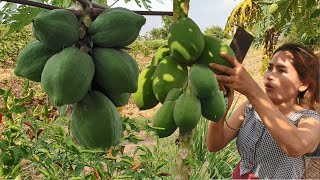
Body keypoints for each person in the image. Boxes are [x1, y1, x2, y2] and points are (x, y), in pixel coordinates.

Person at [206, 43, 320, 179]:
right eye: (269, 68)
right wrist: (220, 110)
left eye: (282, 70)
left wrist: (253, 91)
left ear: (303, 84)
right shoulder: (249, 108)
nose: (270, 75)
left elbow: (295, 147)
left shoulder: (309, 119)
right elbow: (214, 145)